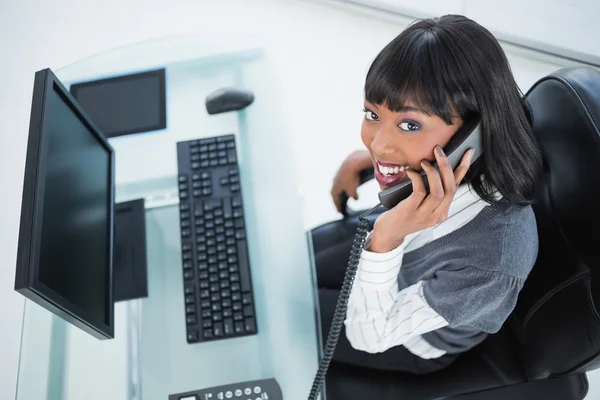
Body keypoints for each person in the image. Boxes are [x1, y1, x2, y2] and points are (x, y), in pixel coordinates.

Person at [315, 14, 543, 375]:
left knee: (276, 314)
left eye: (409, 124)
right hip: (394, 259)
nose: (378, 142)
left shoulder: (493, 261)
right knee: (281, 270)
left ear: (474, 132)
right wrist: (377, 163)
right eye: (372, 114)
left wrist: (387, 237)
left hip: (405, 336)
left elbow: (368, 336)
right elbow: (386, 142)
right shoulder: (435, 167)